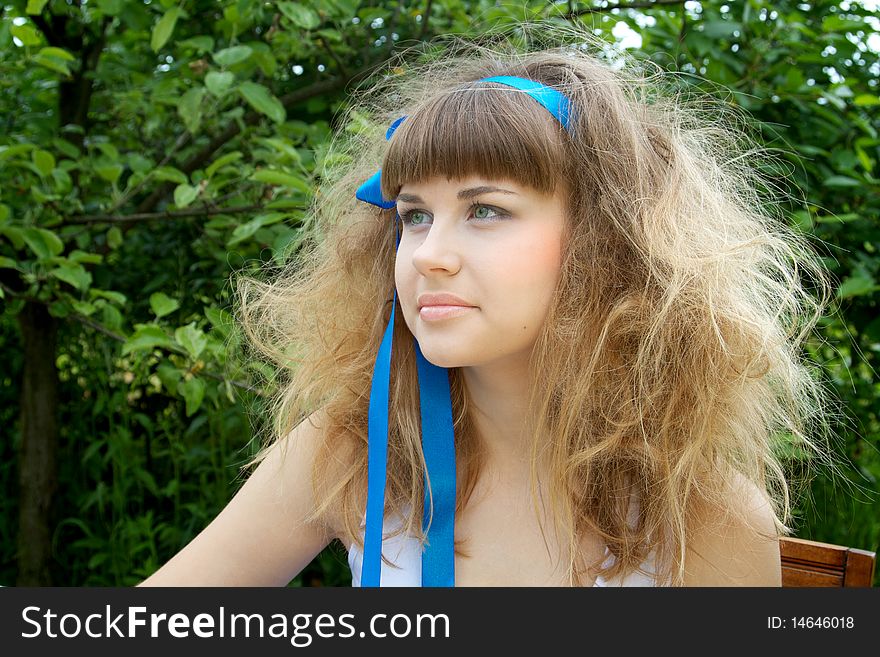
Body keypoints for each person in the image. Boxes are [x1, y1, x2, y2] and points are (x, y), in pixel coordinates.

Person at [138, 22, 840, 587]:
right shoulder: (356, 449)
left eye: (485, 210)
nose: (429, 253)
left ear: (605, 246)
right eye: (413, 215)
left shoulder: (700, 513)